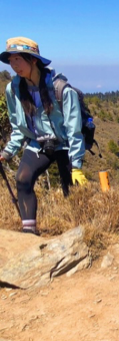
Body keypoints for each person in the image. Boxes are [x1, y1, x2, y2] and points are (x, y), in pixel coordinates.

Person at [0, 37, 85, 234]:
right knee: (23, 179)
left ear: (33, 60)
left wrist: (77, 165)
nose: (14, 66)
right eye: (11, 61)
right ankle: (29, 232)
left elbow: (74, 131)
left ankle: (81, 232)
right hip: (38, 144)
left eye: (18, 60)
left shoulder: (61, 89)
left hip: (64, 145)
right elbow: (18, 127)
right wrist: (7, 152)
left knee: (71, 191)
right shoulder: (13, 89)